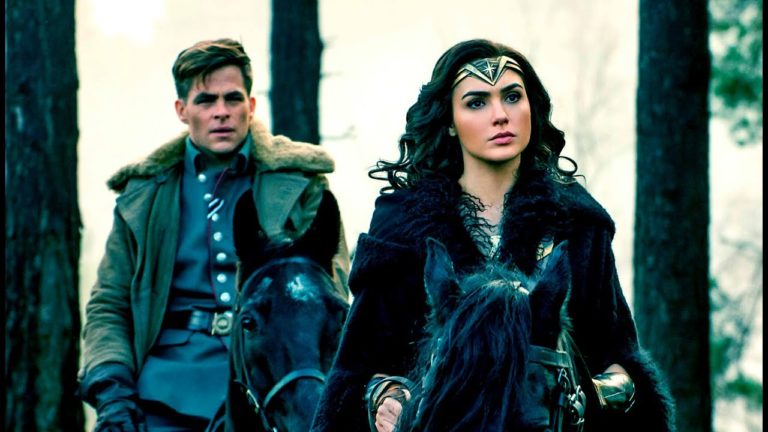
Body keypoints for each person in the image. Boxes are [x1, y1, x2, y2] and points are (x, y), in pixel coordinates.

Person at [310, 39, 675, 432]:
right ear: (449, 122)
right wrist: (386, 396)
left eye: (512, 97)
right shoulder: (400, 228)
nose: (500, 116)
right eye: (477, 102)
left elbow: (620, 357)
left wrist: (598, 391)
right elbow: (356, 367)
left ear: (532, 108)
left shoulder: (578, 222)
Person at [77, 38, 350, 431]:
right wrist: (113, 392)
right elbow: (110, 305)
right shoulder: (144, 196)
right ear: (182, 110)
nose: (221, 111)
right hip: (161, 393)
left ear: (250, 105)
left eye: (232, 98)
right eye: (206, 101)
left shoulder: (300, 184)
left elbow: (330, 294)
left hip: (274, 386)